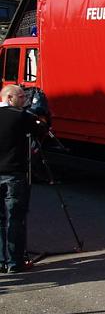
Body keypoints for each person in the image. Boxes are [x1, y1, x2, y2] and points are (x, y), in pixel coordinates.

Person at [0, 85, 47, 273]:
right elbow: (42, 128)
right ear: (9, 97)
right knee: (15, 219)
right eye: (21, 97)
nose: (24, 100)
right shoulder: (20, 116)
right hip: (14, 174)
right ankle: (14, 262)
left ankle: (1, 261)